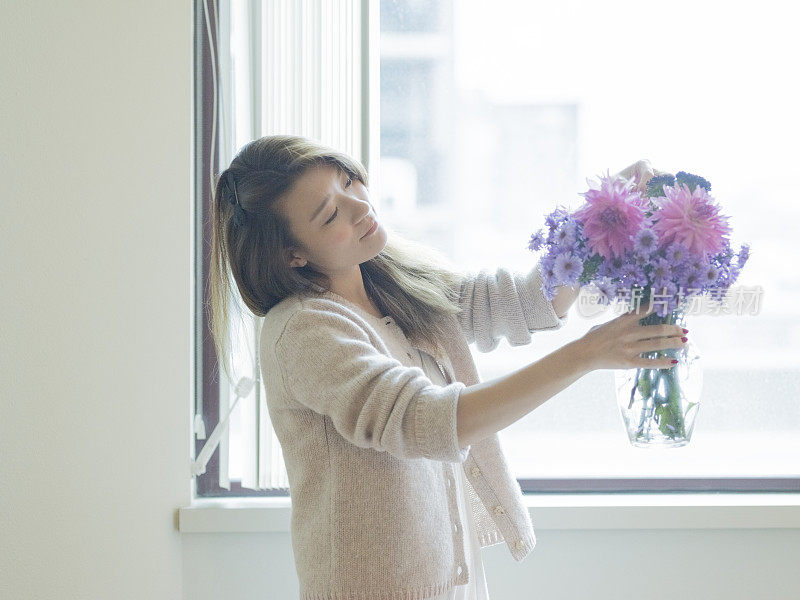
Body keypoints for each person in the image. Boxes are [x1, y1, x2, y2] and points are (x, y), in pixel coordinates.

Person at [208, 135, 688, 600]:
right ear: (294, 254)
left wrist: (606, 210)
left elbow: (523, 302)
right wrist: (587, 354)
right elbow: (430, 421)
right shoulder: (304, 329)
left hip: (450, 582)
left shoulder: (398, 282)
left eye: (349, 181)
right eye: (331, 213)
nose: (359, 206)